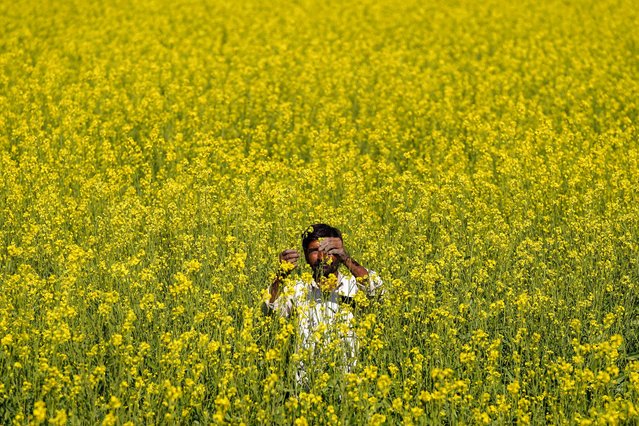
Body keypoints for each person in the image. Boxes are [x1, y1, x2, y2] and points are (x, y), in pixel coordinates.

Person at [262, 223, 383, 385]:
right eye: (314, 251)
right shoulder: (297, 289)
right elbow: (268, 312)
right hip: (305, 385)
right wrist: (281, 275)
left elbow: (378, 292)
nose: (321, 257)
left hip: (347, 387)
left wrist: (346, 258)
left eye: (328, 251)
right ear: (305, 255)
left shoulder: (354, 287)